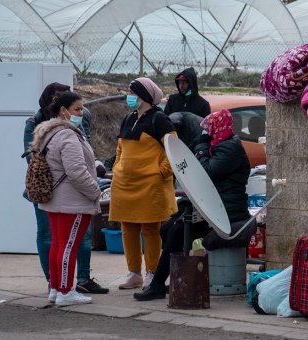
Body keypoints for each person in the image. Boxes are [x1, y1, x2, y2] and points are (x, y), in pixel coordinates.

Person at [134, 108, 251, 301]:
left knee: (177, 231)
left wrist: (201, 147)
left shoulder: (230, 148)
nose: (206, 133)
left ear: (220, 128)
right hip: (214, 208)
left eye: (209, 129)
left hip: (229, 212)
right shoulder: (218, 145)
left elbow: (206, 172)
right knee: (167, 229)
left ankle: (158, 285)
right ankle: (172, 278)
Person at [23, 83, 108, 295]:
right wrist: (95, 191)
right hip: (72, 201)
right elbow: (76, 171)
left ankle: (55, 288)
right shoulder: (68, 135)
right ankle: (65, 292)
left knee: (58, 245)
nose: (81, 113)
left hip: (55, 199)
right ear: (63, 111)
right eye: (77, 109)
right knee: (67, 247)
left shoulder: (47, 132)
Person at [110, 77, 177, 289]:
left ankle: (152, 273)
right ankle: (134, 273)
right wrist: (117, 168)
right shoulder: (129, 118)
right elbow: (120, 148)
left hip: (150, 184)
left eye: (133, 93)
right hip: (124, 183)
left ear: (145, 97)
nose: (129, 97)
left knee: (150, 229)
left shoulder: (159, 119)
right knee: (127, 227)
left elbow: (174, 148)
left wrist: (161, 172)